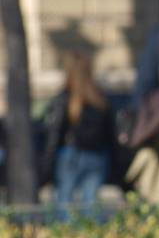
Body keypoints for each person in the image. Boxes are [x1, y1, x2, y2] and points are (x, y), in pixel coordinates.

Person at [41, 52, 115, 213]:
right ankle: (90, 230)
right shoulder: (100, 99)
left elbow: (54, 134)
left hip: (70, 154)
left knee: (64, 202)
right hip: (96, 155)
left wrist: (47, 163)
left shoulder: (64, 98)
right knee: (91, 205)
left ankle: (65, 230)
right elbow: (110, 134)